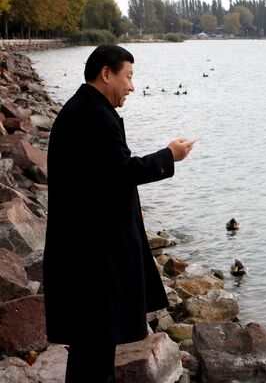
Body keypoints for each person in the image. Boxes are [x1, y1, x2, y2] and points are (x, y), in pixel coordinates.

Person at [42, 44, 195, 382]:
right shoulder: (91, 115)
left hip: (85, 251)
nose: (131, 85)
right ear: (106, 73)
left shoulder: (87, 110)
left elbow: (103, 179)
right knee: (94, 348)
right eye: (128, 76)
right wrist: (169, 156)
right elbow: (121, 173)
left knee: (91, 348)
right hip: (91, 258)